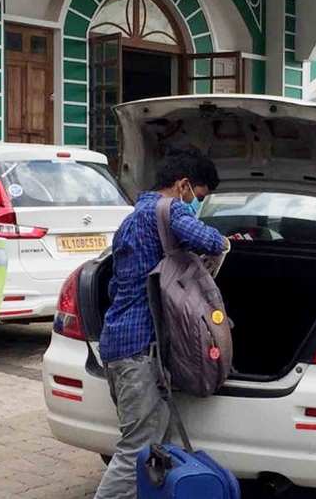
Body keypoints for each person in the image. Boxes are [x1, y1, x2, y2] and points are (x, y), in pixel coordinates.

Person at [94, 156, 229, 499]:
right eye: (198, 194)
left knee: (150, 445)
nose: (196, 202)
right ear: (183, 185)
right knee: (136, 449)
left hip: (117, 343)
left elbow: (115, 284)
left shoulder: (131, 219)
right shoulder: (170, 210)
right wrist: (226, 242)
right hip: (139, 350)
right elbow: (211, 242)